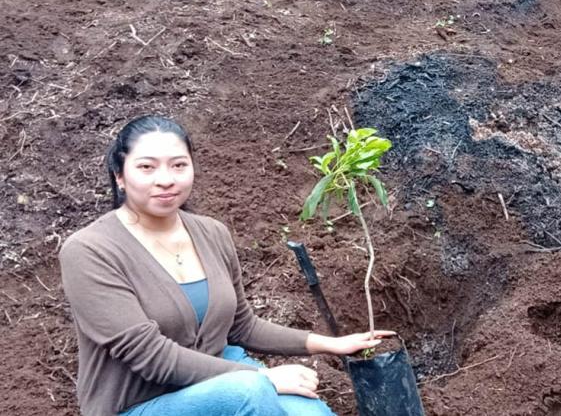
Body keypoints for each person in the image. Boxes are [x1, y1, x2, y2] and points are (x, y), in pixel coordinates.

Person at [59, 115, 393, 416]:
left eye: (178, 165)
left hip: (224, 376)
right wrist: (262, 376)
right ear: (120, 175)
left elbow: (241, 326)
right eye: (147, 167)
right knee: (250, 393)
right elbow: (149, 355)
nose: (166, 179)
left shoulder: (212, 233)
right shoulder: (90, 251)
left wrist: (329, 343)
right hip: (140, 402)